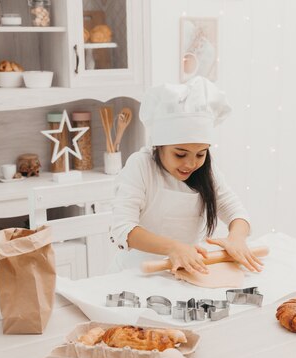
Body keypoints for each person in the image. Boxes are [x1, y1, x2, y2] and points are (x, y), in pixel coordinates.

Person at [109, 76, 262, 275]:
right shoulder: (140, 165)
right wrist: (173, 247)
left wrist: (236, 238)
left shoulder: (207, 169)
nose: (191, 164)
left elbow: (236, 211)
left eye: (200, 154)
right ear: (159, 146)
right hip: (137, 272)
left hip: (187, 270)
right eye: (180, 154)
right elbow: (123, 229)